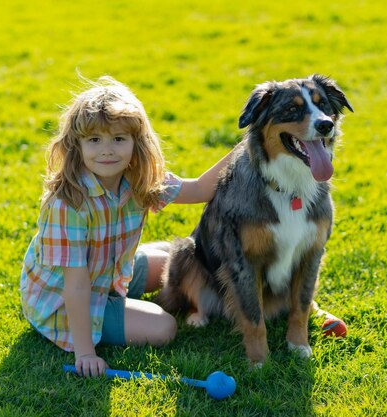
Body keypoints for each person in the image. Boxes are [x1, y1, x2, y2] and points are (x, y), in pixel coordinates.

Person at [20, 76, 235, 377]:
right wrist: (85, 352)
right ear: (76, 145)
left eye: (118, 139)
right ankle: (109, 314)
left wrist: (248, 146)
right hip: (62, 300)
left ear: (137, 143)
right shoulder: (67, 203)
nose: (107, 150)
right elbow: (77, 284)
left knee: (178, 261)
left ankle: (121, 301)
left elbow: (200, 189)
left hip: (107, 274)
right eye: (94, 140)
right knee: (164, 327)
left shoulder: (137, 179)